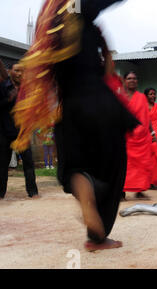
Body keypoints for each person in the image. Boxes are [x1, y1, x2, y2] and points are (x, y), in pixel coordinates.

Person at [12, 0, 139, 251]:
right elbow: (90, 5)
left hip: (70, 109)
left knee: (75, 168)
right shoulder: (80, 15)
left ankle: (86, 195)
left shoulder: (53, 30)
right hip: (103, 105)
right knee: (113, 167)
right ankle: (99, 234)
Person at [0, 61, 39, 199]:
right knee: (2, 165)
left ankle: (33, 192)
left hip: (22, 132)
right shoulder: (3, 86)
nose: (20, 73)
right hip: (4, 131)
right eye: (17, 70)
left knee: (28, 162)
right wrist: (9, 99)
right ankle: (1, 193)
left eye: (22, 71)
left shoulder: (27, 89)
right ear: (10, 71)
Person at [122, 72, 153, 198]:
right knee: (123, 166)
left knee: (141, 165)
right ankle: (121, 191)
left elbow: (145, 118)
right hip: (124, 137)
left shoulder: (141, 98)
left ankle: (139, 190)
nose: (132, 80)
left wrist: (149, 132)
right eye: (129, 78)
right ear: (124, 81)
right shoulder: (120, 97)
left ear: (137, 81)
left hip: (140, 137)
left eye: (134, 78)